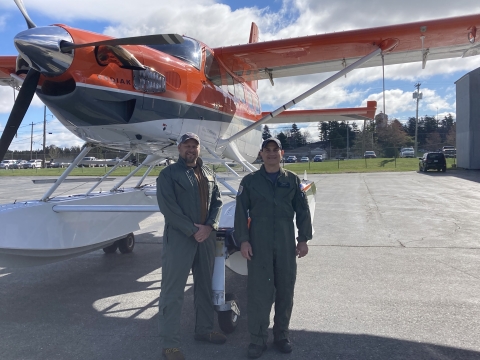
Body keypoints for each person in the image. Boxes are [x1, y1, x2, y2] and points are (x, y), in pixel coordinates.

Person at [234, 138, 312, 359]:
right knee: (259, 292)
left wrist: (303, 238)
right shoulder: (249, 181)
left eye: (274, 150)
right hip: (259, 243)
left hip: (286, 242)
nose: (270, 154)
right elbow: (241, 212)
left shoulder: (292, 180)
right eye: (266, 150)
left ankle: (281, 335)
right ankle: (257, 340)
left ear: (281, 153)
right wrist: (243, 240)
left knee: (285, 290)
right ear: (261, 154)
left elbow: (303, 210)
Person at [156, 132, 225, 360]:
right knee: (172, 292)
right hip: (179, 239)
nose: (191, 149)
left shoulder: (208, 173)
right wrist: (193, 229)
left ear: (199, 149)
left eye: (194, 146)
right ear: (179, 149)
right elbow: (169, 208)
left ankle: (204, 330)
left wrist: (210, 226)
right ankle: (170, 344)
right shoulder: (168, 175)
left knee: (205, 286)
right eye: (186, 145)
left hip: (205, 238)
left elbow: (217, 202)